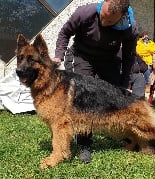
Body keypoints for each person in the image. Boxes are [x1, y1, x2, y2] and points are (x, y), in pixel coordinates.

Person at [52, 0, 138, 163]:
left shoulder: (130, 28)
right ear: (103, 4)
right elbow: (64, 33)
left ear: (122, 17)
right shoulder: (85, 13)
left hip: (108, 60)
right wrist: (59, 54)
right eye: (103, 17)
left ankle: (128, 135)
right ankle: (84, 143)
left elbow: (128, 57)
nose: (104, 23)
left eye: (110, 21)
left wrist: (125, 83)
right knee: (83, 99)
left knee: (116, 97)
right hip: (82, 56)